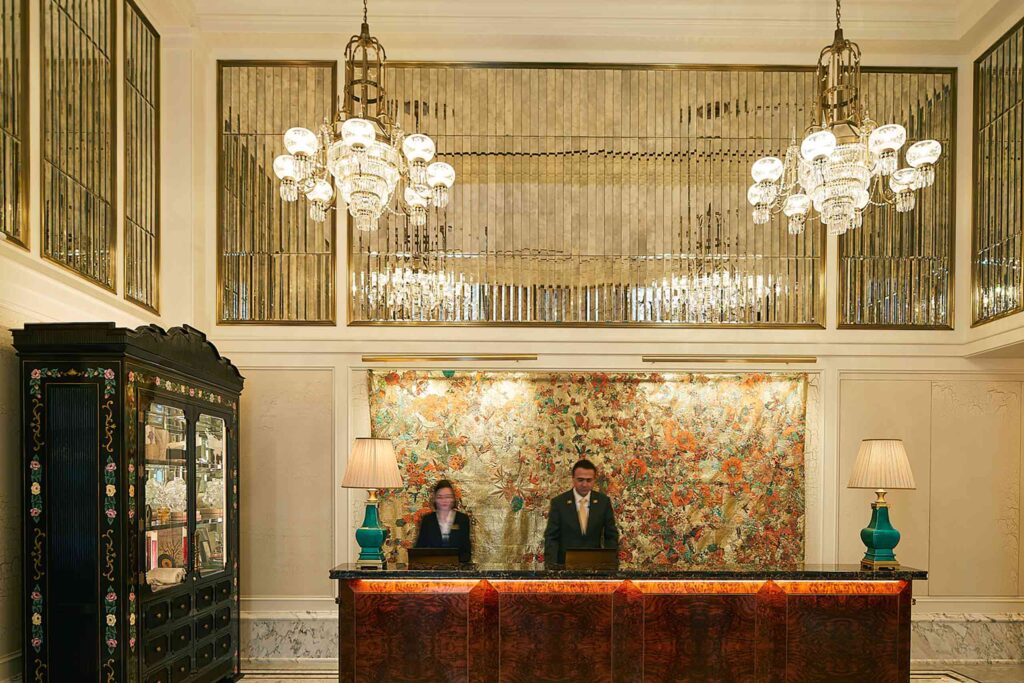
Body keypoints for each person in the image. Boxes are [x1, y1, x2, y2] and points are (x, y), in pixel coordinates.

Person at [543, 459, 618, 566]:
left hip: (596, 567)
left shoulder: (603, 502)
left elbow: (611, 536)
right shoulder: (559, 503)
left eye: (589, 480)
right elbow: (551, 538)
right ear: (573, 479)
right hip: (564, 567)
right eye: (580, 480)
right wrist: (551, 567)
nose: (584, 484)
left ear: (594, 480)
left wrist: (610, 564)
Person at [415, 479, 472, 563]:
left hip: (457, 570)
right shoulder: (427, 520)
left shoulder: (462, 519)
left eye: (448, 497)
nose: (444, 501)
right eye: (440, 497)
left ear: (453, 498)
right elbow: (419, 550)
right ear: (435, 499)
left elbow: (466, 551)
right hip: (432, 569)